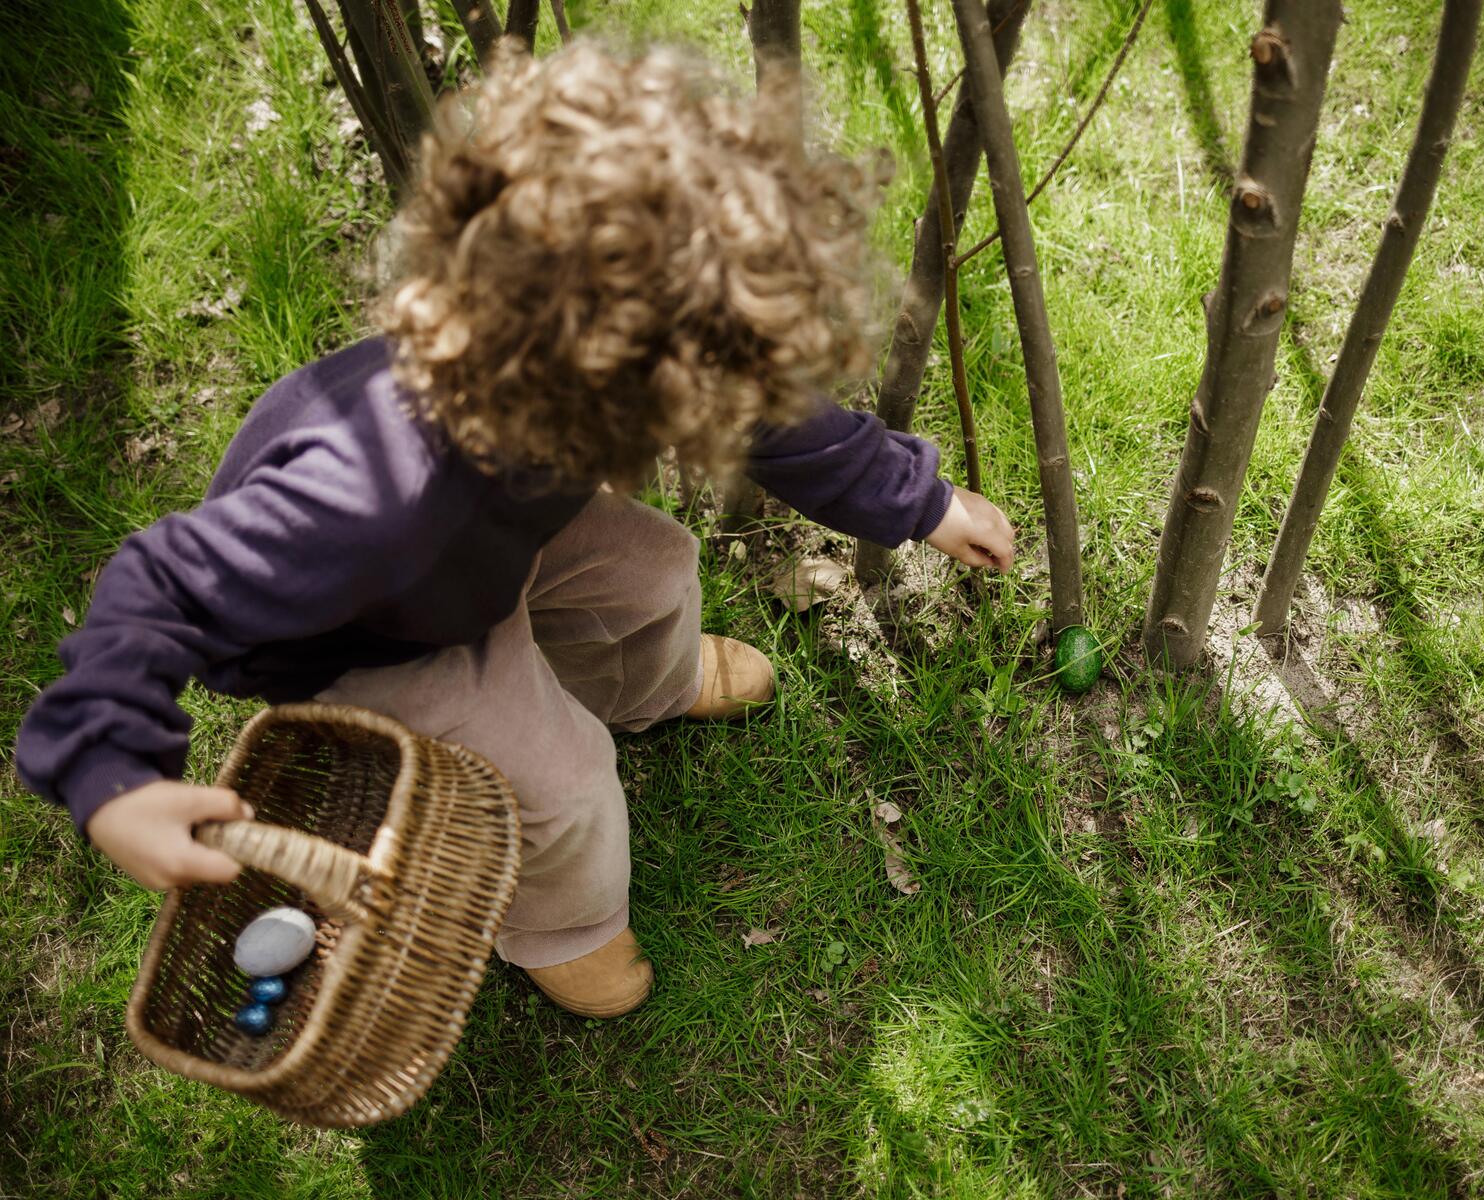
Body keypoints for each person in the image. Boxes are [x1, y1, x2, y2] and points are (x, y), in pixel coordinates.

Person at [14, 42, 1014, 1018]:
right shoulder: (369, 501)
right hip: (370, 638)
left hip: (475, 554)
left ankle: (651, 686)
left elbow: (771, 412)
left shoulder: (581, 353)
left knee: (655, 564)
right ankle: (565, 936)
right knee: (561, 776)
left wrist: (922, 504)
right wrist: (113, 777)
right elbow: (165, 583)